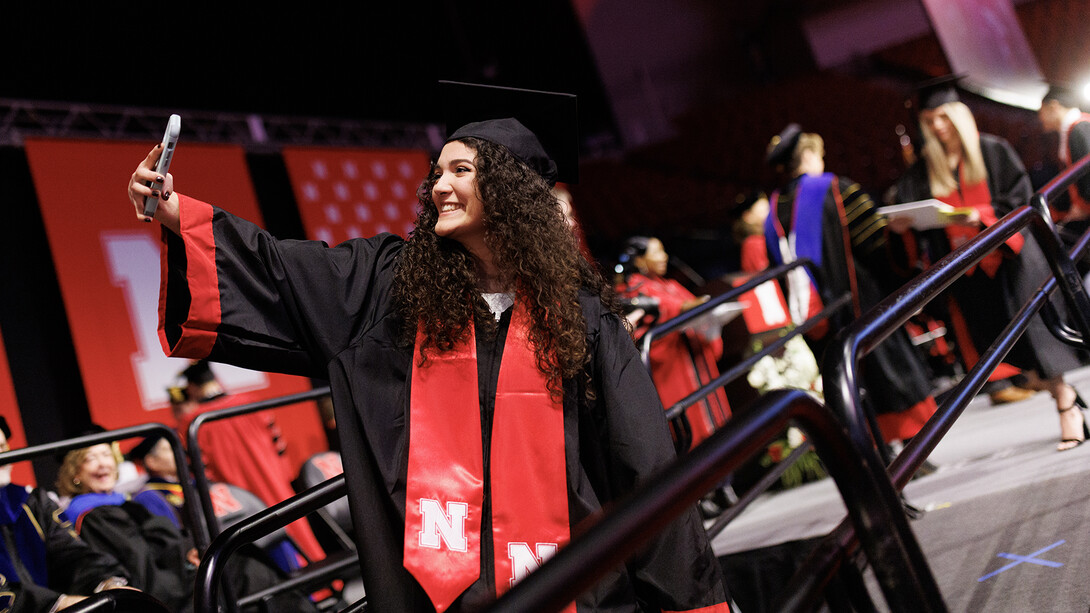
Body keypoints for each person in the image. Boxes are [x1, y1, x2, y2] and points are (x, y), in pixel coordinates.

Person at [125, 82, 731, 612]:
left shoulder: (580, 319)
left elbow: (642, 464)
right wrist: (174, 210)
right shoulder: (391, 288)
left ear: (509, 189)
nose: (439, 186)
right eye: (437, 173)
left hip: (576, 586)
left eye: (460, 171)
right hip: (438, 593)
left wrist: (687, 601)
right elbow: (283, 269)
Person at [890, 76, 1088, 451]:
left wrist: (975, 216)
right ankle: (1064, 396)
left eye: (944, 118)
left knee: (1036, 339)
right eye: (930, 121)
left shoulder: (993, 151)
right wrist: (905, 227)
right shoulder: (922, 171)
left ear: (959, 116)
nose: (937, 126)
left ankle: (1066, 406)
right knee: (1005, 354)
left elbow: (1019, 200)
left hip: (1011, 261)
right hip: (967, 271)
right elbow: (917, 219)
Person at [763, 123, 938, 446]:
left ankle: (871, 447)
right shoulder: (833, 189)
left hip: (820, 316)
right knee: (886, 372)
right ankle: (910, 445)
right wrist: (899, 238)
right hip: (862, 301)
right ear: (809, 155)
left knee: (846, 377)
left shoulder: (772, 212)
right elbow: (875, 246)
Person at [57, 441, 318, 613]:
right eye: (90, 458)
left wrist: (188, 550)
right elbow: (142, 565)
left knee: (242, 557)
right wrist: (188, 565)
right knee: (243, 571)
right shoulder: (92, 513)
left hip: (174, 575)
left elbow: (166, 541)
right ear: (75, 473)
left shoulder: (123, 502)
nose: (103, 463)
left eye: (106, 455)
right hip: (160, 591)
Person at [167, 359, 325, 565]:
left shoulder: (194, 423)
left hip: (240, 498)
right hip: (276, 483)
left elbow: (201, 472)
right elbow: (278, 445)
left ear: (192, 387)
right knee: (296, 529)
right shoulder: (251, 401)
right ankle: (324, 581)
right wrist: (281, 477)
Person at [0, 418, 135, 613]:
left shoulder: (32, 502)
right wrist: (57, 603)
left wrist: (107, 582)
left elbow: (72, 554)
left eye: (4, 447)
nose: (2, 456)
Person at [617, 236, 733, 449]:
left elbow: (693, 305)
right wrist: (693, 307)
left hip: (694, 357)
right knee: (692, 431)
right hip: (673, 368)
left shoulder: (669, 284)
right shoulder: (632, 290)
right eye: (657, 252)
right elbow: (679, 307)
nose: (664, 257)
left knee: (717, 426)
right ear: (640, 261)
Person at [1037, 83, 1090, 231]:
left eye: (1041, 111)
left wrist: (1084, 206)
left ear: (1053, 107)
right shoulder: (1073, 128)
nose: (1040, 118)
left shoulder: (1080, 127)